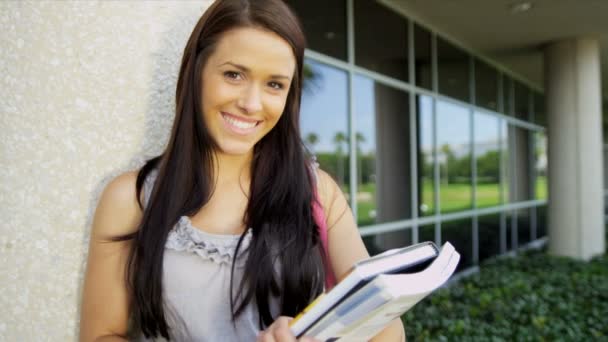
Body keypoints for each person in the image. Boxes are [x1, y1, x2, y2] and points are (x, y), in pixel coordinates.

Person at [79, 0, 406, 341]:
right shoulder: (131, 198)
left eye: (274, 85)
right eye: (234, 75)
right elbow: (101, 335)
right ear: (196, 72)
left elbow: (388, 329)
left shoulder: (319, 192)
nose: (252, 103)